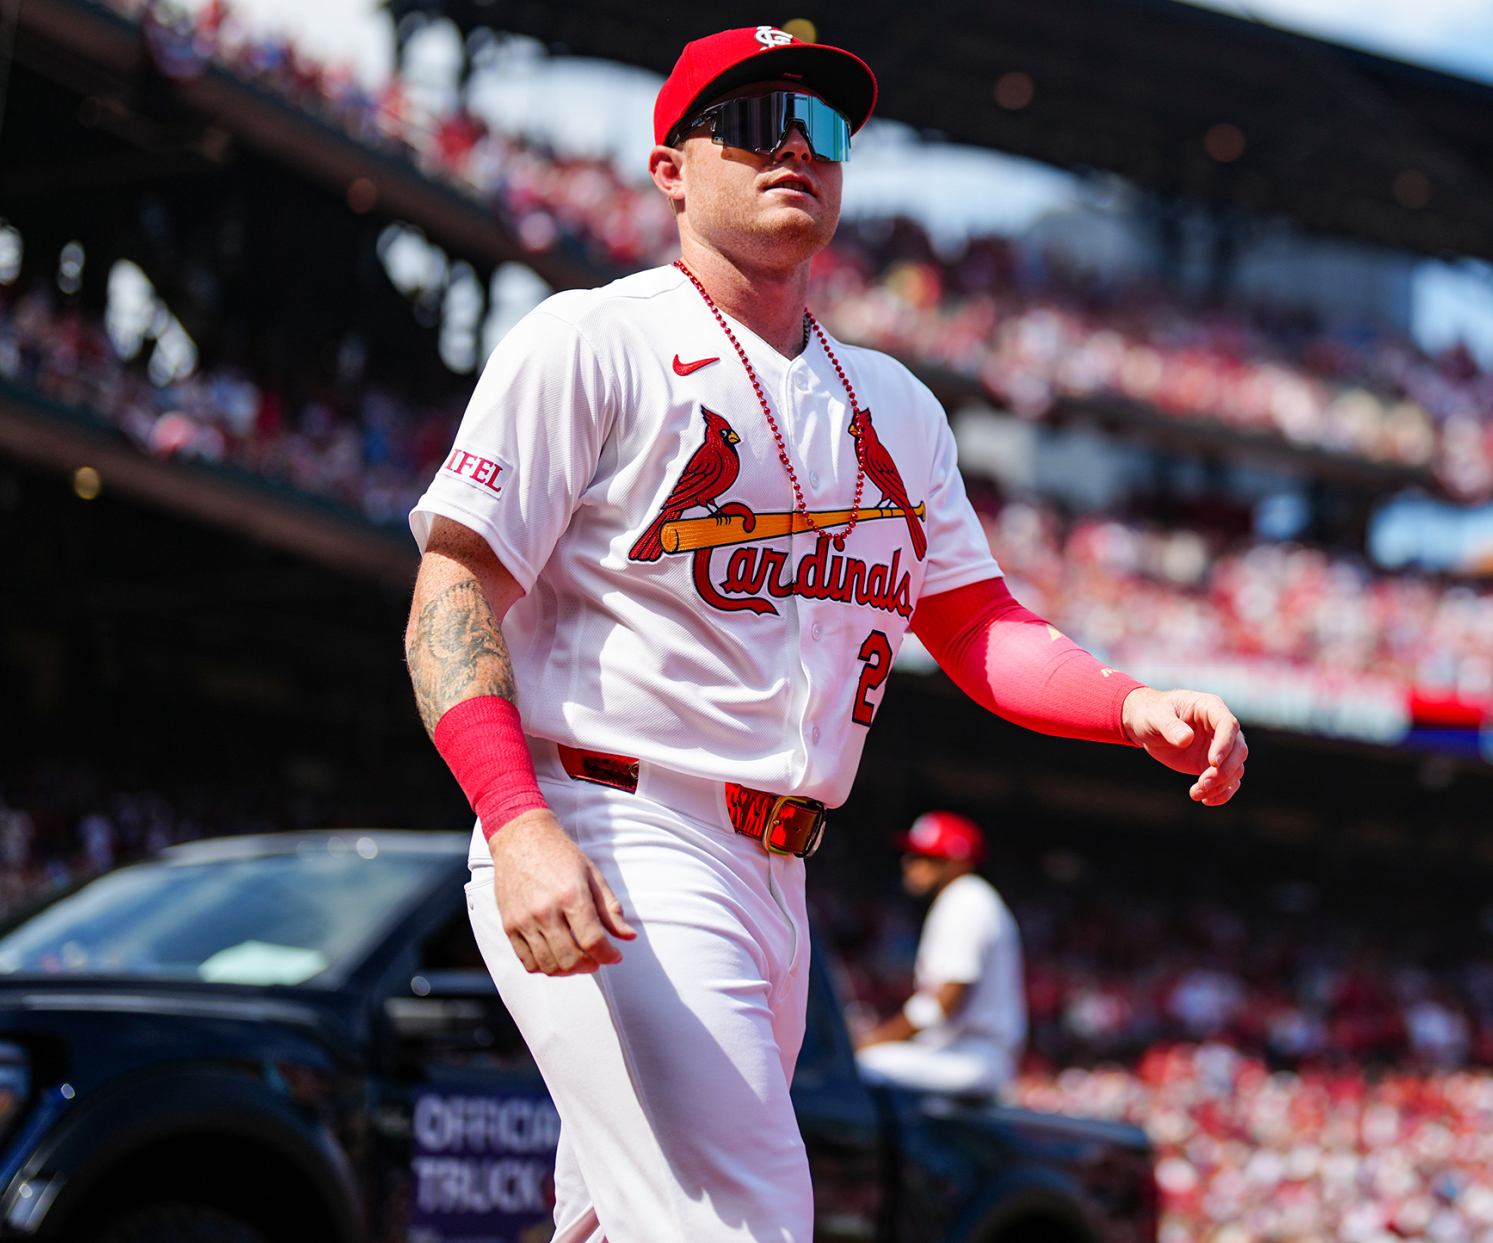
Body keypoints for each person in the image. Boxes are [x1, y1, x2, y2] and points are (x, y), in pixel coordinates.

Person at [401, 24, 1248, 1242]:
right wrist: (517, 822)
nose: (795, 144)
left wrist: (1127, 704)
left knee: (609, 1228)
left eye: (825, 126)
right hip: (617, 827)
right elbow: (453, 590)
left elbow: (972, 623)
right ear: (670, 169)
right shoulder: (591, 339)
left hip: (778, 869)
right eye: (751, 122)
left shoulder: (895, 405)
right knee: (745, 1224)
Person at [856, 811, 1023, 1095]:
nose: (911, 863)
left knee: (863, 1064)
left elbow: (944, 1003)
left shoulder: (967, 900)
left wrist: (880, 1039)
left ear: (958, 861)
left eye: (927, 857)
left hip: (972, 1056)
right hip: (959, 1052)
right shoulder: (965, 898)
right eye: (911, 854)